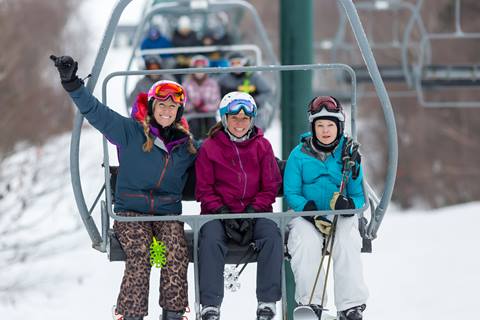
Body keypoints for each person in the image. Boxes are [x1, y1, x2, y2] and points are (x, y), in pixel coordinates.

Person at [50, 55, 197, 320]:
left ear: (179, 113)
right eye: (161, 105)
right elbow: (97, 113)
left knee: (174, 250)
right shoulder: (130, 132)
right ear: (152, 107)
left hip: (167, 216)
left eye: (173, 107)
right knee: (141, 254)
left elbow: (220, 159)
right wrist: (72, 84)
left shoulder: (186, 146)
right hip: (130, 215)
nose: (167, 110)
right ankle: (131, 314)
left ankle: (173, 314)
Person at [195, 92, 283, 320]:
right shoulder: (210, 148)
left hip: (257, 213)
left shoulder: (262, 146)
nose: (240, 124)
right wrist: (222, 212)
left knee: (272, 236)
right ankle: (210, 305)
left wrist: (254, 211)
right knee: (210, 240)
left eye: (245, 119)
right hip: (217, 214)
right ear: (224, 119)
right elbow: (205, 189)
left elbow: (270, 186)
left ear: (252, 120)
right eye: (234, 119)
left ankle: (267, 301)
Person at [283, 96, 368, 320]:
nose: (325, 130)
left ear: (339, 126)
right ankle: (312, 303)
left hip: (340, 215)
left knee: (347, 239)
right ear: (313, 127)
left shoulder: (349, 156)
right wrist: (308, 210)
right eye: (320, 125)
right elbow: (292, 192)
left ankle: (350, 305)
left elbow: (359, 196)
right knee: (305, 242)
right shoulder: (298, 155)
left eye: (330, 125)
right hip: (306, 215)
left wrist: (348, 206)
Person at [218, 52, 273, 132]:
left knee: (255, 131)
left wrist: (255, 101)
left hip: (252, 113)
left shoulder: (253, 77)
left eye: (238, 62)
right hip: (231, 113)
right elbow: (217, 95)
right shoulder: (224, 79)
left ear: (244, 62)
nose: (236, 66)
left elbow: (267, 92)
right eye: (233, 63)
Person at [182, 55, 221, 139]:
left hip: (209, 114)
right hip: (192, 114)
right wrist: (193, 106)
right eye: (196, 68)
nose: (199, 71)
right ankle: (193, 146)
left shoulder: (212, 83)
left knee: (213, 126)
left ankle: (213, 145)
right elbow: (182, 103)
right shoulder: (186, 84)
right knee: (193, 126)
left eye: (202, 68)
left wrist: (205, 107)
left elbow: (217, 102)